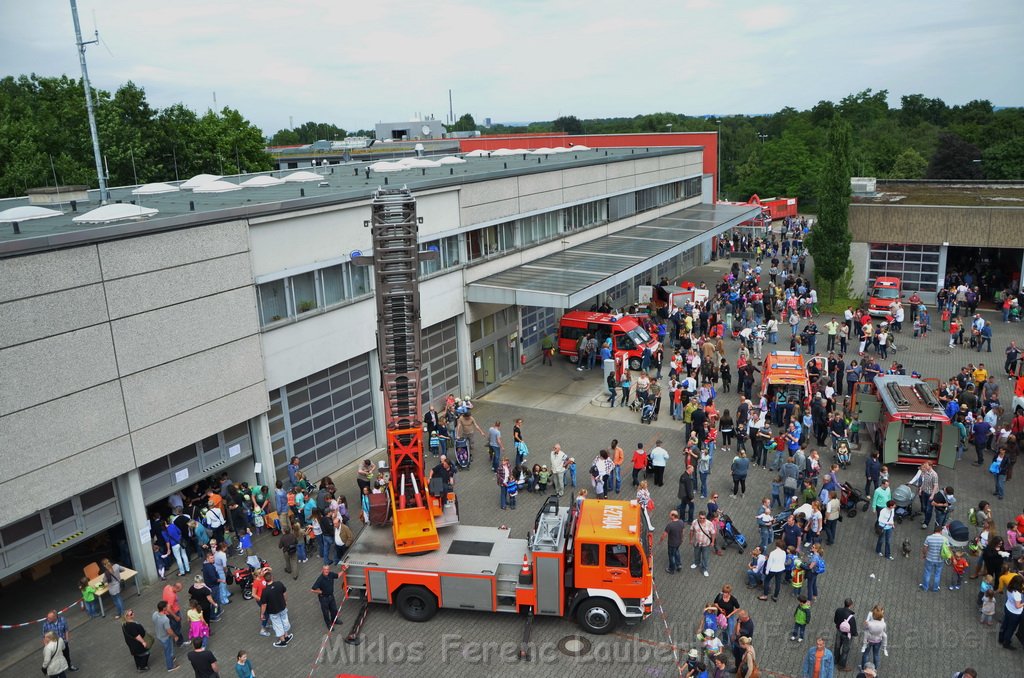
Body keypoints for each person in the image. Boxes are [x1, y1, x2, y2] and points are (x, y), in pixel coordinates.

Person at [260, 570, 293, 648]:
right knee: (285, 621)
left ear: (265, 580)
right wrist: (285, 602)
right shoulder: (279, 584)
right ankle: (287, 636)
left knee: (278, 625)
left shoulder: (265, 592)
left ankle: (282, 641)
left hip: (273, 611)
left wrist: (262, 614)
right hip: (282, 607)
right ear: (272, 577)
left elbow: (264, 604)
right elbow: (284, 593)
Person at [152, 600, 181, 672]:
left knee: (169, 648)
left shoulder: (155, 614)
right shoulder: (165, 619)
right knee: (167, 651)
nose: (168, 606)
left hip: (159, 635)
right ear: (164, 608)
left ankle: (172, 656)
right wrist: (175, 636)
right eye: (167, 606)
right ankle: (170, 667)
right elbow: (169, 631)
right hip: (165, 637)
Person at [310, 564, 341, 630]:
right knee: (326, 612)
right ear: (322, 570)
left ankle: (334, 620)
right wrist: (320, 592)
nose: (326, 571)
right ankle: (329, 624)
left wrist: (344, 570)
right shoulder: (320, 579)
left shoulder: (331, 574)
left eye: (327, 569)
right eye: (325, 569)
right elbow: (312, 589)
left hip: (331, 596)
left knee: (334, 610)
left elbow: (338, 575)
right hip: (324, 598)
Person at [859, 605, 888, 671]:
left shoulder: (869, 623)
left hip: (869, 640)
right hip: (878, 641)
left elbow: (865, 628)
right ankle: (875, 669)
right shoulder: (883, 624)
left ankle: (863, 668)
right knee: (876, 654)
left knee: (866, 654)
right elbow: (884, 630)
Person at [999, 575, 1024, 649]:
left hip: (1007, 607)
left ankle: (1001, 638)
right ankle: (1006, 643)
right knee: (1011, 628)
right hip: (1014, 613)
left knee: (1005, 624)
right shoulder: (1017, 594)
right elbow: (1018, 606)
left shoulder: (1009, 587)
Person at [833, 598, 858, 672]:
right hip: (847, 635)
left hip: (839, 631)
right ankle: (841, 666)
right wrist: (854, 634)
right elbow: (853, 631)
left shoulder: (838, 610)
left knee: (837, 646)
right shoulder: (851, 617)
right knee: (845, 650)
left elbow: (835, 620)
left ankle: (835, 660)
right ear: (851, 605)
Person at [920, 525, 947, 592]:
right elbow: (947, 549)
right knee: (937, 574)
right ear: (940, 531)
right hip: (940, 559)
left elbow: (925, 548)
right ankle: (935, 588)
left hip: (929, 558)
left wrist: (924, 555)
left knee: (927, 573)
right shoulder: (945, 539)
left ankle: (925, 587)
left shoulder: (929, 538)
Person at [689, 511, 716, 577]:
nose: (702, 519)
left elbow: (713, 533)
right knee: (696, 554)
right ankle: (696, 563)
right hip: (697, 542)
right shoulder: (695, 522)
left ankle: (704, 569)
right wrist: (691, 539)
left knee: (705, 557)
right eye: (700, 518)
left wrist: (712, 542)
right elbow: (691, 530)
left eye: (703, 518)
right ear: (698, 516)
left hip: (706, 544)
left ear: (705, 517)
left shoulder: (709, 524)